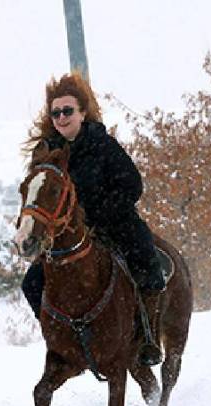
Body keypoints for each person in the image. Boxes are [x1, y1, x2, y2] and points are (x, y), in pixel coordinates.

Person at [21, 72, 166, 366]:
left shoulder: (103, 144)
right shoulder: (47, 151)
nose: (61, 117)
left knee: (149, 267)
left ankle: (147, 338)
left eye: (67, 111)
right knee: (32, 283)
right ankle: (61, 339)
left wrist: (100, 213)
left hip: (114, 225)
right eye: (56, 112)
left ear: (82, 112)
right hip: (67, 235)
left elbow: (133, 186)